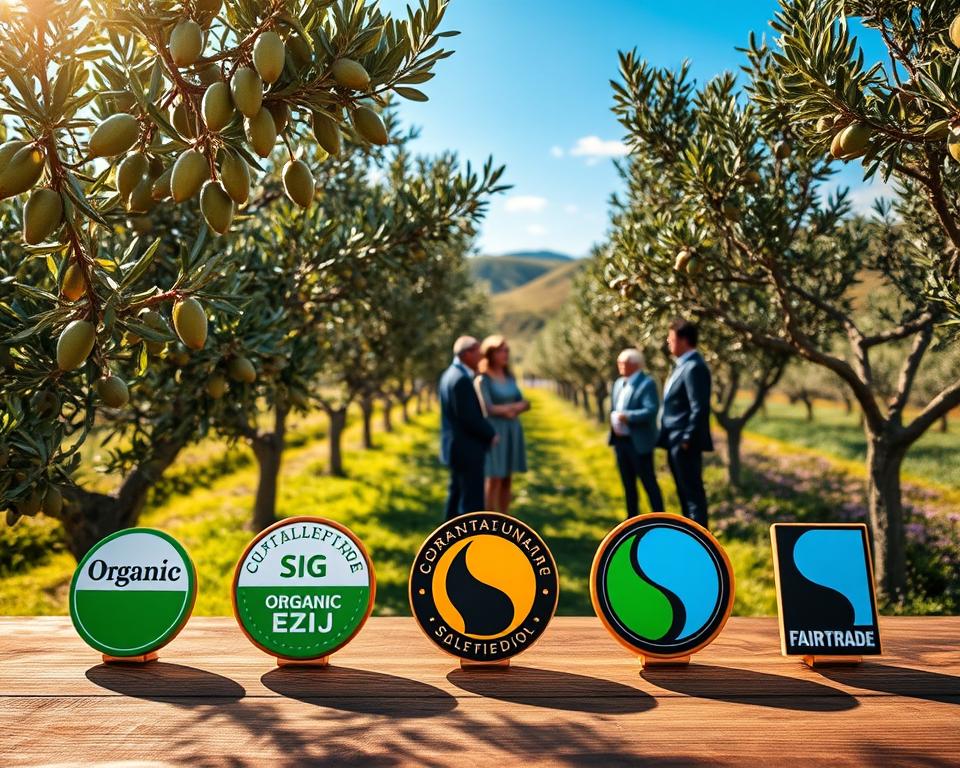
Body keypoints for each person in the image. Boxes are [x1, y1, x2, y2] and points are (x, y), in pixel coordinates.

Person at [658, 318, 713, 528]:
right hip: (675, 440)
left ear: (684, 340)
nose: (668, 342)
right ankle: (689, 539)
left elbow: (699, 407)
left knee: (693, 496)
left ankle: (700, 543)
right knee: (683, 493)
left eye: (671, 338)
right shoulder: (683, 366)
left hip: (683, 442)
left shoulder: (694, 367)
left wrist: (686, 439)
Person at [439, 336, 497, 519]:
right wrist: (491, 434)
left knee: (456, 495)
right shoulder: (461, 379)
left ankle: (447, 538)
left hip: (455, 448)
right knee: (471, 502)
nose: (481, 357)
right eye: (478, 352)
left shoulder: (449, 374)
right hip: (467, 449)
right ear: (467, 353)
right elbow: (469, 418)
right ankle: (471, 541)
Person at [475, 335, 529, 514]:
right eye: (501, 350)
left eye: (507, 350)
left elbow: (525, 403)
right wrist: (513, 408)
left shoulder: (509, 376)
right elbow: (488, 408)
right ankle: (490, 521)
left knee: (507, 477)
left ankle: (504, 519)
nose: (505, 354)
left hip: (512, 430)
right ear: (490, 353)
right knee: (494, 477)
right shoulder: (482, 379)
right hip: (495, 433)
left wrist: (509, 409)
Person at [609, 348, 664, 518]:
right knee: (628, 484)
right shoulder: (619, 383)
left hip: (639, 443)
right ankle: (630, 521)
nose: (619, 366)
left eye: (623, 363)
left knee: (648, 483)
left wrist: (627, 417)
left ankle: (660, 519)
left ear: (635, 364)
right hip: (621, 442)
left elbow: (651, 410)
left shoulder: (647, 383)